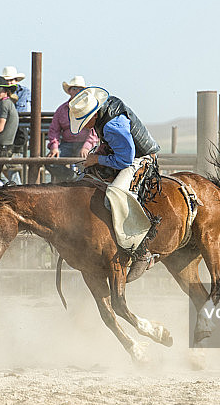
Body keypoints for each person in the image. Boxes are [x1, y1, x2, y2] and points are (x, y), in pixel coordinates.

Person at [68, 86, 161, 269]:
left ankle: (140, 248)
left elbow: (126, 159)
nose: (85, 126)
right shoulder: (105, 112)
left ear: (94, 115)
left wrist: (97, 158)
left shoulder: (111, 125)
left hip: (141, 158)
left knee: (116, 191)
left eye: (85, 121)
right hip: (129, 154)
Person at [46, 75, 99, 182]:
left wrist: (87, 146)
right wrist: (54, 147)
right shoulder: (61, 109)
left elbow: (94, 130)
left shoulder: (89, 107)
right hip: (67, 144)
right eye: (75, 88)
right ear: (69, 91)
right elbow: (54, 130)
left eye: (80, 89)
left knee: (89, 162)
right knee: (50, 161)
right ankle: (72, 178)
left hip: (85, 144)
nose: (78, 91)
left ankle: (82, 181)